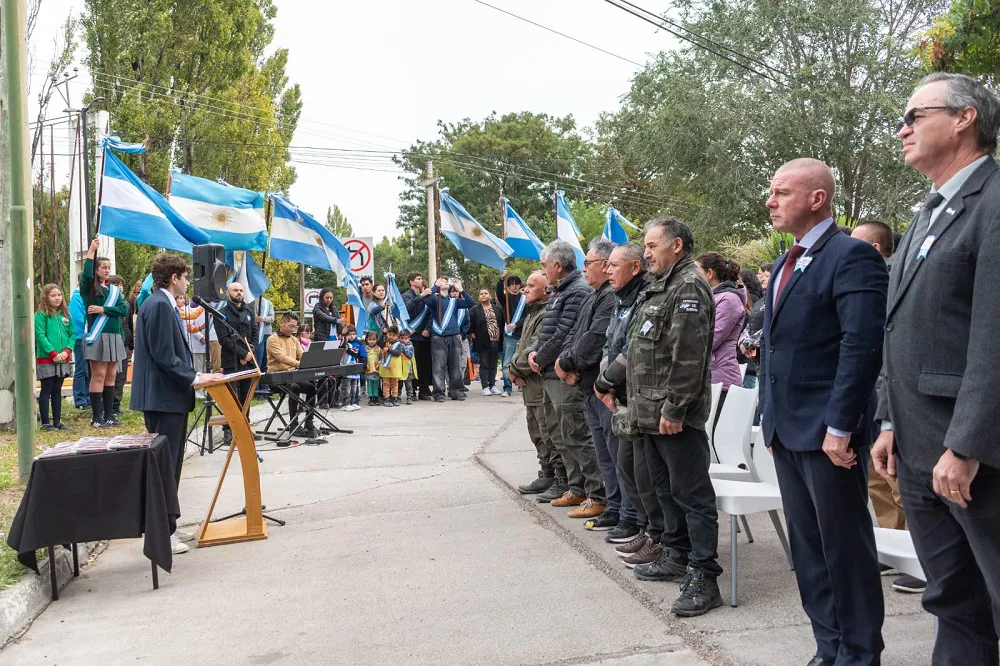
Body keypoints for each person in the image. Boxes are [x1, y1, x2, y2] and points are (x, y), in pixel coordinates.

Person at [872, 72, 1000, 665]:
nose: (902, 128)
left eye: (914, 115)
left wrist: (969, 442)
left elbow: (994, 335)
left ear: (964, 118)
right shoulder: (925, 214)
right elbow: (900, 329)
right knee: (953, 599)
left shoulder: (994, 203)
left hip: (972, 458)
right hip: (920, 449)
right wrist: (890, 421)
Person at [759, 158, 888, 663]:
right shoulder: (783, 263)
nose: (771, 200)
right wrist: (768, 419)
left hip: (828, 434)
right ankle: (828, 647)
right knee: (809, 552)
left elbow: (860, 346)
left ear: (817, 198)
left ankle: (859, 653)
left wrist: (840, 425)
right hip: (787, 431)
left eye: (782, 192)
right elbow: (774, 347)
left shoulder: (851, 256)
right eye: (771, 192)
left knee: (845, 553)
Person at [623, 216, 722, 617]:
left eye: (652, 245)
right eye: (644, 246)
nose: (646, 253)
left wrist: (675, 407)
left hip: (673, 415)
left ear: (676, 245)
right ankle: (676, 554)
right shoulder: (659, 287)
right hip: (649, 413)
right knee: (664, 491)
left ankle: (705, 575)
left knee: (692, 496)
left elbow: (688, 356)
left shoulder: (688, 287)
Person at [131, 253, 224, 554]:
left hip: (169, 397)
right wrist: (196, 377)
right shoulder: (158, 305)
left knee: (171, 465)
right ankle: (162, 534)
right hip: (162, 399)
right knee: (164, 467)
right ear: (174, 278)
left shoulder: (164, 304)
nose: (188, 283)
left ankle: (168, 526)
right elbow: (164, 355)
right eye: (186, 277)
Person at [851, 219, 924, 593]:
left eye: (856, 243)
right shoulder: (865, 281)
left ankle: (919, 553)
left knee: (898, 474)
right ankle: (892, 543)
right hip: (871, 389)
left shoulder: (896, 277)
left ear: (876, 249)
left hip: (894, 390)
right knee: (876, 477)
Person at [593, 243, 656, 549]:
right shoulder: (620, 299)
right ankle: (641, 528)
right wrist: (605, 382)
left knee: (640, 470)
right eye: (607, 265)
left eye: (614, 265)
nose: (608, 270)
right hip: (620, 394)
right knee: (627, 465)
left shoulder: (644, 297)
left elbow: (634, 350)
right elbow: (609, 345)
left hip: (639, 397)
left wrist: (605, 382)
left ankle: (642, 527)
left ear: (635, 268)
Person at [556, 237, 617, 523]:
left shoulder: (609, 296)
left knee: (610, 453)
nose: (583, 269)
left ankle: (615, 508)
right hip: (587, 382)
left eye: (588, 263)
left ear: (605, 265)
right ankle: (614, 508)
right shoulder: (594, 295)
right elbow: (574, 335)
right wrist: (563, 360)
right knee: (603, 452)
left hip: (601, 383)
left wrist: (569, 363)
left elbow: (595, 338)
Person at [528, 240, 594, 505]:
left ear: (557, 265)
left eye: (545, 266)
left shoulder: (577, 291)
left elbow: (564, 334)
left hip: (561, 373)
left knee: (574, 433)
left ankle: (590, 491)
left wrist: (540, 357)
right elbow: (546, 332)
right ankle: (574, 487)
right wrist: (534, 353)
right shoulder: (560, 292)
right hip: (549, 371)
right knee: (559, 434)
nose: (543, 272)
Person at [508, 271, 564, 495]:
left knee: (549, 432)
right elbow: (521, 346)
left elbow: (536, 346)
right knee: (537, 432)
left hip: (541, 385)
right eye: (525, 285)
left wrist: (514, 368)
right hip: (529, 386)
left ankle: (561, 478)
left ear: (545, 289)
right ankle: (546, 473)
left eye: (531, 285)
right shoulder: (532, 313)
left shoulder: (547, 312)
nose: (525, 289)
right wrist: (512, 367)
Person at [695, 252, 747, 440]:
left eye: (697, 270)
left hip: (721, 380)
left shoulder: (728, 300)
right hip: (707, 379)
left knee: (714, 440)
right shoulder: (711, 297)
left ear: (709, 273)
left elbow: (711, 338)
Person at [80, 238, 129, 428]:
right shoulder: (90, 288)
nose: (107, 270)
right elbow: (86, 275)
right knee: (98, 375)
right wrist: (91, 251)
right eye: (103, 267)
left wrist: (103, 310)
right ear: (96, 269)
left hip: (114, 335)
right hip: (98, 335)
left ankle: (109, 415)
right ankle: (96, 417)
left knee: (111, 376)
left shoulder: (114, 291)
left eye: (109, 267)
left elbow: (123, 310)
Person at [215, 282, 259, 444]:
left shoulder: (249, 311)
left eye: (241, 290)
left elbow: (255, 333)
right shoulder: (221, 313)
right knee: (232, 398)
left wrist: (249, 353)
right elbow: (224, 339)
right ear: (228, 293)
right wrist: (243, 353)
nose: (239, 293)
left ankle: (245, 429)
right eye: (235, 290)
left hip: (248, 361)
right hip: (230, 360)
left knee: (246, 396)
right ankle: (229, 431)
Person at [422, 277, 474, 402]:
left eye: (446, 282)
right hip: (438, 337)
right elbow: (426, 300)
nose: (444, 282)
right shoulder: (435, 298)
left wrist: (461, 290)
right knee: (438, 366)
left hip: (454, 336)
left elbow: (470, 303)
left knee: (455, 365)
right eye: (442, 281)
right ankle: (439, 392)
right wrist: (435, 287)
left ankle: (456, 391)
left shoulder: (454, 301)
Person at [266, 313, 318, 439]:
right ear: (281, 323)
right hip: (276, 377)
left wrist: (311, 362)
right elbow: (281, 358)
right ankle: (293, 424)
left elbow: (302, 355)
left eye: (295, 327)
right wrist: (300, 364)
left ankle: (309, 422)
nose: (293, 329)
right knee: (293, 387)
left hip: (292, 376)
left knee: (312, 388)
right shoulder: (272, 339)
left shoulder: (294, 340)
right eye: (290, 326)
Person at [35, 284, 74, 431]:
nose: (57, 298)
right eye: (53, 295)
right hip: (47, 358)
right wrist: (53, 353)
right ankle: (45, 423)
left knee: (57, 389)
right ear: (46, 297)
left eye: (59, 294)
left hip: (63, 358)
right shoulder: (41, 315)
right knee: (47, 388)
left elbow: (72, 334)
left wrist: (66, 351)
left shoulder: (65, 314)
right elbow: (40, 335)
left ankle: (57, 422)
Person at [402, 272, 433, 400]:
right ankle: (412, 389)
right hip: (412, 335)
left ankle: (424, 389)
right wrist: (421, 296)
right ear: (411, 282)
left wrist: (428, 328)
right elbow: (408, 308)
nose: (421, 281)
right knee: (414, 364)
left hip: (425, 334)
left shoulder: (427, 296)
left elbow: (432, 313)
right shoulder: (406, 295)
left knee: (426, 363)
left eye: (421, 278)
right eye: (418, 279)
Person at [469, 287, 505, 397]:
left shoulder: (497, 309)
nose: (483, 295)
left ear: (490, 296)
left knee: (493, 363)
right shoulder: (475, 309)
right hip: (482, 340)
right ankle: (485, 387)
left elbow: (502, 323)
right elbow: (469, 324)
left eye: (485, 293)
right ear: (479, 297)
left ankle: (492, 385)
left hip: (496, 340)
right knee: (484, 363)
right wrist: (472, 334)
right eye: (481, 294)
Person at [496, 271, 524, 397]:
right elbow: (498, 293)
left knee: (523, 361)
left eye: (516, 284)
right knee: (507, 361)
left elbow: (528, 316)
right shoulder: (505, 298)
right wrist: (502, 279)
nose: (514, 286)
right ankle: (507, 387)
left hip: (523, 334)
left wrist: (517, 324)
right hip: (510, 336)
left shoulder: (525, 299)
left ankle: (522, 384)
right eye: (511, 284)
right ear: (508, 286)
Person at [108, 275, 133, 416]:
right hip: (113, 342)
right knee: (113, 375)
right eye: (116, 284)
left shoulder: (126, 304)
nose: (119, 287)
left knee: (122, 376)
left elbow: (129, 324)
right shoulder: (109, 303)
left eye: (121, 284)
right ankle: (108, 406)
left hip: (124, 342)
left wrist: (131, 345)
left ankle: (117, 405)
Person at [313, 288, 340, 408]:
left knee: (333, 371)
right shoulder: (317, 308)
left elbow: (339, 323)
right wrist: (337, 320)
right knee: (322, 373)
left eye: (331, 298)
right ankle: (322, 401)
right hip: (322, 340)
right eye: (326, 298)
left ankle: (333, 399)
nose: (329, 300)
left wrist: (341, 328)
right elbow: (326, 318)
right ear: (322, 297)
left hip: (334, 341)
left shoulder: (334, 309)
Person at [68, 288, 90, 409]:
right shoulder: (77, 297)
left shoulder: (88, 295)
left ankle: (88, 397)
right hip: (80, 337)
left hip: (90, 337)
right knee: (81, 368)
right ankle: (80, 399)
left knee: (89, 369)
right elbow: (78, 319)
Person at [339, 325, 365, 411]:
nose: (352, 336)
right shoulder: (343, 343)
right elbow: (342, 345)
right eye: (349, 334)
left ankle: (353, 402)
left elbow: (356, 353)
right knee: (346, 386)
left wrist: (349, 350)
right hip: (346, 367)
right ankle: (345, 403)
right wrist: (343, 335)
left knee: (354, 386)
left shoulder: (357, 344)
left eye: (354, 334)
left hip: (354, 368)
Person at [378, 325, 404, 407]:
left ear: (397, 336)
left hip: (394, 368)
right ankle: (386, 398)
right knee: (386, 384)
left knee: (395, 384)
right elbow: (378, 342)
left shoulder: (399, 344)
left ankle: (394, 397)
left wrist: (389, 350)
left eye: (393, 335)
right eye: (389, 334)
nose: (391, 337)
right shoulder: (385, 343)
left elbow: (398, 353)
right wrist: (382, 333)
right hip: (386, 367)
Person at [363, 330, 382, 405]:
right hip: (368, 369)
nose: (372, 341)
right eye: (370, 339)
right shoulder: (365, 349)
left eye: (374, 339)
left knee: (376, 383)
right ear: (366, 339)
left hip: (376, 369)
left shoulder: (379, 349)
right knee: (369, 383)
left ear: (376, 340)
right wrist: (365, 365)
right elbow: (363, 358)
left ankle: (376, 397)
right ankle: (371, 397)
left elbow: (382, 358)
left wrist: (379, 364)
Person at [398, 330, 416, 404]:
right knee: (399, 384)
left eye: (406, 338)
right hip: (399, 369)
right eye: (402, 338)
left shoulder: (410, 346)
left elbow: (410, 355)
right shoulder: (397, 345)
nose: (403, 340)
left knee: (408, 385)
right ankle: (397, 397)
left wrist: (403, 348)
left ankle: (410, 397)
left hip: (408, 369)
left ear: (409, 339)